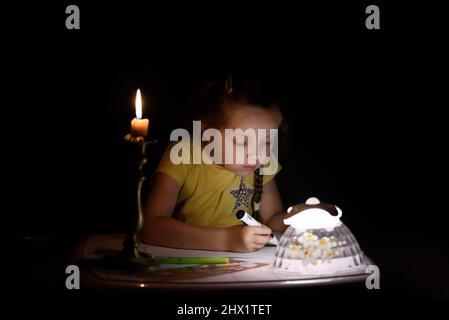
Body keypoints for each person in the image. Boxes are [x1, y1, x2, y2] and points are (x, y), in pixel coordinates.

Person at [142, 73, 288, 252]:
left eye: (266, 141)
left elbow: (273, 219)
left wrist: (300, 216)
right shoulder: (183, 154)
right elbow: (152, 228)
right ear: (207, 130)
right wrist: (227, 240)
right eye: (241, 141)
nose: (255, 155)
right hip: (186, 263)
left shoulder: (262, 163)